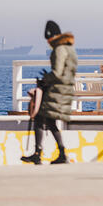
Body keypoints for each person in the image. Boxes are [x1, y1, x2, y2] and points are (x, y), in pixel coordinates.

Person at [21, 21, 78, 165]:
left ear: (54, 36)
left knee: (39, 118)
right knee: (50, 121)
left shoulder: (59, 49)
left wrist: (45, 79)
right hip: (65, 89)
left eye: (49, 38)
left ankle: (38, 154)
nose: (48, 41)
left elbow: (57, 73)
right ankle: (60, 154)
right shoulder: (70, 49)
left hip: (57, 90)